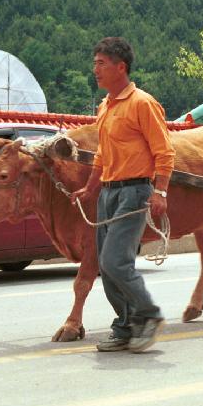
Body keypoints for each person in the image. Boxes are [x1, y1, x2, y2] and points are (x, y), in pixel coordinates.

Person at [71, 37, 175, 353]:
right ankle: (126, 326)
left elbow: (165, 152)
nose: (95, 69)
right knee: (106, 264)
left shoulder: (143, 103)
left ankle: (150, 315)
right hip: (108, 192)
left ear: (121, 67)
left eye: (101, 63)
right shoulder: (106, 106)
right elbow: (103, 154)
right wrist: (91, 188)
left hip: (134, 191)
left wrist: (160, 191)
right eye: (95, 63)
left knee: (116, 261)